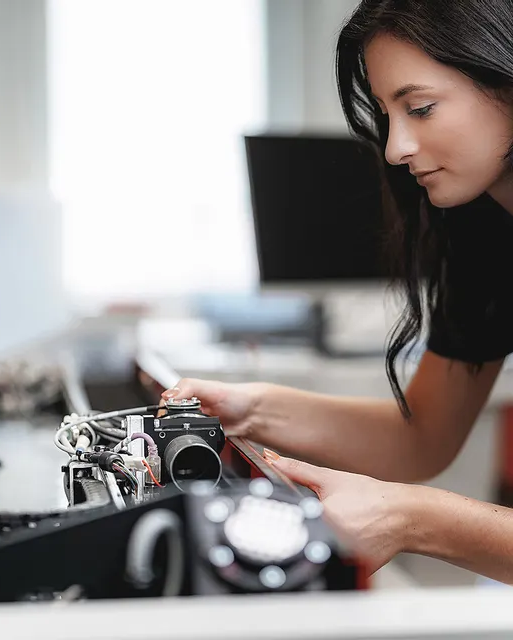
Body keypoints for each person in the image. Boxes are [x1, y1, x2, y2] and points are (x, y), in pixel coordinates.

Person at [163, 0, 513, 582]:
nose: (397, 148)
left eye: (420, 108)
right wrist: (252, 410)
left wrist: (411, 518)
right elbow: (421, 436)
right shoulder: (485, 240)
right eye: (386, 115)